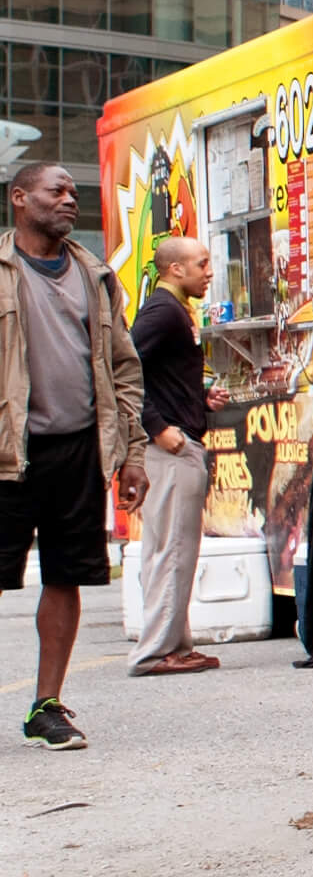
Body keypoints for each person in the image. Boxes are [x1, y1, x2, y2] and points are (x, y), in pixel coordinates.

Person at [0, 164, 148, 750]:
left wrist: (131, 451)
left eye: (72, 192)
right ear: (19, 199)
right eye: (55, 191)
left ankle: (46, 707)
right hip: (9, 453)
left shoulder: (95, 276)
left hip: (78, 451)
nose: (69, 199)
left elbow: (124, 368)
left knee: (66, 577)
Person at [128, 236, 220, 678]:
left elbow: (158, 375)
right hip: (171, 447)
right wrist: (158, 427)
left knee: (172, 546)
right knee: (173, 548)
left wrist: (200, 398)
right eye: (201, 263)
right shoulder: (163, 312)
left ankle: (175, 646)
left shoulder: (174, 311)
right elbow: (122, 366)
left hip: (179, 436)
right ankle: (156, 651)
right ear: (174, 270)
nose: (209, 271)